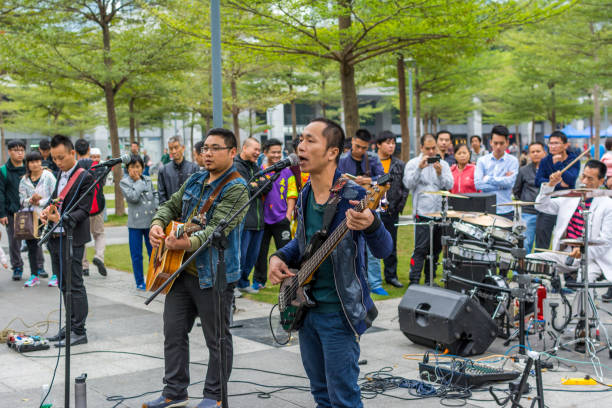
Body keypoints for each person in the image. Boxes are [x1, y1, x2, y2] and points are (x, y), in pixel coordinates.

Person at [268, 118, 392, 408]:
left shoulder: (356, 195)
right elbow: (301, 243)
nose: (301, 145)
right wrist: (278, 257)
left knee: (343, 398)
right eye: (300, 139)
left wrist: (371, 224)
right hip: (306, 309)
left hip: (339, 312)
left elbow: (384, 249)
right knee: (321, 394)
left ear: (332, 152)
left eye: (310, 140)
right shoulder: (305, 193)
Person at [143, 128, 248, 408]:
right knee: (173, 333)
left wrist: (185, 243)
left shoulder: (237, 187)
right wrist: (156, 224)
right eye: (205, 149)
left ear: (232, 152)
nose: (208, 153)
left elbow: (216, 229)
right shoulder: (196, 178)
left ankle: (214, 396)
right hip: (179, 271)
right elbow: (170, 205)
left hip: (214, 274)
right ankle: (174, 392)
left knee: (217, 339)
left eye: (215, 148)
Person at [528, 160, 612, 302]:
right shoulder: (570, 198)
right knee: (529, 261)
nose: (584, 181)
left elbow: (606, 241)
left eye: (590, 179)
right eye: (583, 176)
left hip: (593, 259)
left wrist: (583, 251)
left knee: (583, 279)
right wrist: (550, 185)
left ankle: (585, 320)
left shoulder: (608, 205)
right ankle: (531, 310)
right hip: (565, 254)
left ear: (601, 181)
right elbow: (541, 206)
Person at [41, 134, 95, 347]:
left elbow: (84, 211)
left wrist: (61, 218)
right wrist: (47, 210)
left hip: (72, 237)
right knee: (63, 283)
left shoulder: (85, 177)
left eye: (61, 157)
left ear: (73, 153)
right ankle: (70, 325)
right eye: (54, 158)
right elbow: (55, 199)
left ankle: (79, 330)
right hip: (56, 237)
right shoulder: (59, 174)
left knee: (75, 284)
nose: (57, 162)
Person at [338, 128, 388, 295]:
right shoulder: (343, 160)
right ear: (352, 142)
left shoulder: (373, 159)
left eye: (364, 148)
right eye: (357, 146)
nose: (360, 150)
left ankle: (375, 284)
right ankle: (352, 282)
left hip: (371, 206)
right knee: (349, 245)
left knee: (373, 248)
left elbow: (384, 178)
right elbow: (336, 179)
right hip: (348, 206)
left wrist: (368, 180)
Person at [403, 134, 454, 285]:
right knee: (420, 249)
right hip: (422, 213)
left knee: (436, 250)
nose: (431, 152)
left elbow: (449, 185)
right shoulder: (413, 163)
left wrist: (439, 173)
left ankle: (429, 280)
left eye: (433, 148)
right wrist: (419, 168)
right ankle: (414, 281)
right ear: (421, 147)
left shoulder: (443, 164)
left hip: (439, 214)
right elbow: (408, 184)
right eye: (428, 148)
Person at [252, 138, 297, 290]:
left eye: (279, 152)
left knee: (286, 252)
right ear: (265, 153)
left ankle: (289, 280)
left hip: (281, 219)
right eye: (274, 152)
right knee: (260, 253)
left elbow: (292, 194)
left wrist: (288, 216)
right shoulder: (261, 170)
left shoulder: (287, 171)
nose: (277, 155)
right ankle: (259, 281)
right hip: (263, 220)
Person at [234, 137, 271, 294]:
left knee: (252, 256)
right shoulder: (236, 166)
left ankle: (243, 282)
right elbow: (245, 188)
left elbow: (267, 186)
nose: (258, 152)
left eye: (259, 149)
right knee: (239, 256)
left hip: (258, 219)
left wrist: (256, 185)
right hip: (244, 219)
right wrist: (257, 184)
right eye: (255, 149)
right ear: (244, 148)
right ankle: (233, 285)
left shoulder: (255, 167)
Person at [534, 131, 580, 249]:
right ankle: (541, 261)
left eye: (556, 143)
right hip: (548, 201)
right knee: (542, 236)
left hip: (567, 203)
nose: (552, 146)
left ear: (565, 145)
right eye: (550, 143)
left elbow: (570, 180)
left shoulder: (574, 159)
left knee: (566, 240)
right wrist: (554, 182)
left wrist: (558, 164)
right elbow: (537, 181)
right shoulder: (545, 160)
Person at [376, 131, 408, 288]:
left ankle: (391, 275)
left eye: (393, 143)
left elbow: (405, 187)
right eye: (388, 143)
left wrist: (399, 206)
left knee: (391, 244)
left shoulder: (399, 164)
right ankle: (370, 278)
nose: (391, 146)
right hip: (372, 209)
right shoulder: (371, 163)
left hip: (391, 209)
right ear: (378, 145)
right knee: (368, 246)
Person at [19, 151, 56, 287]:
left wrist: (40, 202)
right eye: (32, 162)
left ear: (41, 162)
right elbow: (22, 200)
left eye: (37, 161)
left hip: (47, 215)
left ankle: (55, 275)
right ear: (27, 164)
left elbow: (55, 196)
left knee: (51, 246)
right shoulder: (24, 180)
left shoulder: (48, 176)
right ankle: (34, 275)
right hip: (30, 217)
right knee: (32, 247)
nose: (35, 164)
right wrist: (31, 199)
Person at [120, 155, 157, 290]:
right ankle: (140, 281)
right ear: (127, 169)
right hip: (135, 224)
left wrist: (157, 208)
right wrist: (138, 182)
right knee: (136, 255)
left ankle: (154, 279)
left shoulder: (148, 179)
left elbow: (154, 194)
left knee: (153, 252)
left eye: (138, 167)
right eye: (132, 167)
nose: (135, 170)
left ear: (142, 167)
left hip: (150, 221)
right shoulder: (124, 182)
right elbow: (133, 197)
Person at [75, 139, 107, 277]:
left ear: (75, 152)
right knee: (99, 234)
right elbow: (102, 184)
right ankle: (99, 256)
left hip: (81, 210)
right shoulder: (98, 166)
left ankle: (84, 266)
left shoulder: (75, 168)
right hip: (97, 206)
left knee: (82, 238)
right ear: (89, 150)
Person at [474, 125, 519, 220]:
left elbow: (510, 183)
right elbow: (478, 184)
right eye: (495, 143)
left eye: (502, 143)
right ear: (490, 142)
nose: (498, 146)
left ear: (507, 143)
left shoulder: (513, 161)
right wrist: (501, 185)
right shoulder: (482, 160)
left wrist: (487, 179)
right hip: (486, 209)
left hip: (506, 210)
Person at [513, 142, 547, 253]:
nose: (536, 154)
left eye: (538, 151)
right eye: (533, 152)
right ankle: (521, 269)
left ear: (544, 153)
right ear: (529, 154)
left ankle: (539, 269)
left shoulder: (550, 170)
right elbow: (516, 190)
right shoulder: (523, 170)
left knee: (542, 245)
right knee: (525, 243)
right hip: (528, 212)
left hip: (546, 212)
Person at [0, 139, 26, 280]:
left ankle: (39, 267)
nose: (19, 153)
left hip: (29, 211)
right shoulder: (3, 171)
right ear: (9, 152)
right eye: (16, 150)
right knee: (14, 242)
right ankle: (17, 267)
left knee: (34, 240)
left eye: (22, 150)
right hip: (11, 211)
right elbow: (0, 193)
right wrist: (2, 213)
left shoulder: (30, 167)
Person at [157, 135, 199, 205]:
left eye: (176, 147)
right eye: (171, 148)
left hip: (190, 212)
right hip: (170, 213)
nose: (173, 151)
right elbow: (162, 196)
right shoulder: (163, 170)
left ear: (183, 148)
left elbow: (197, 193)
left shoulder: (194, 168)